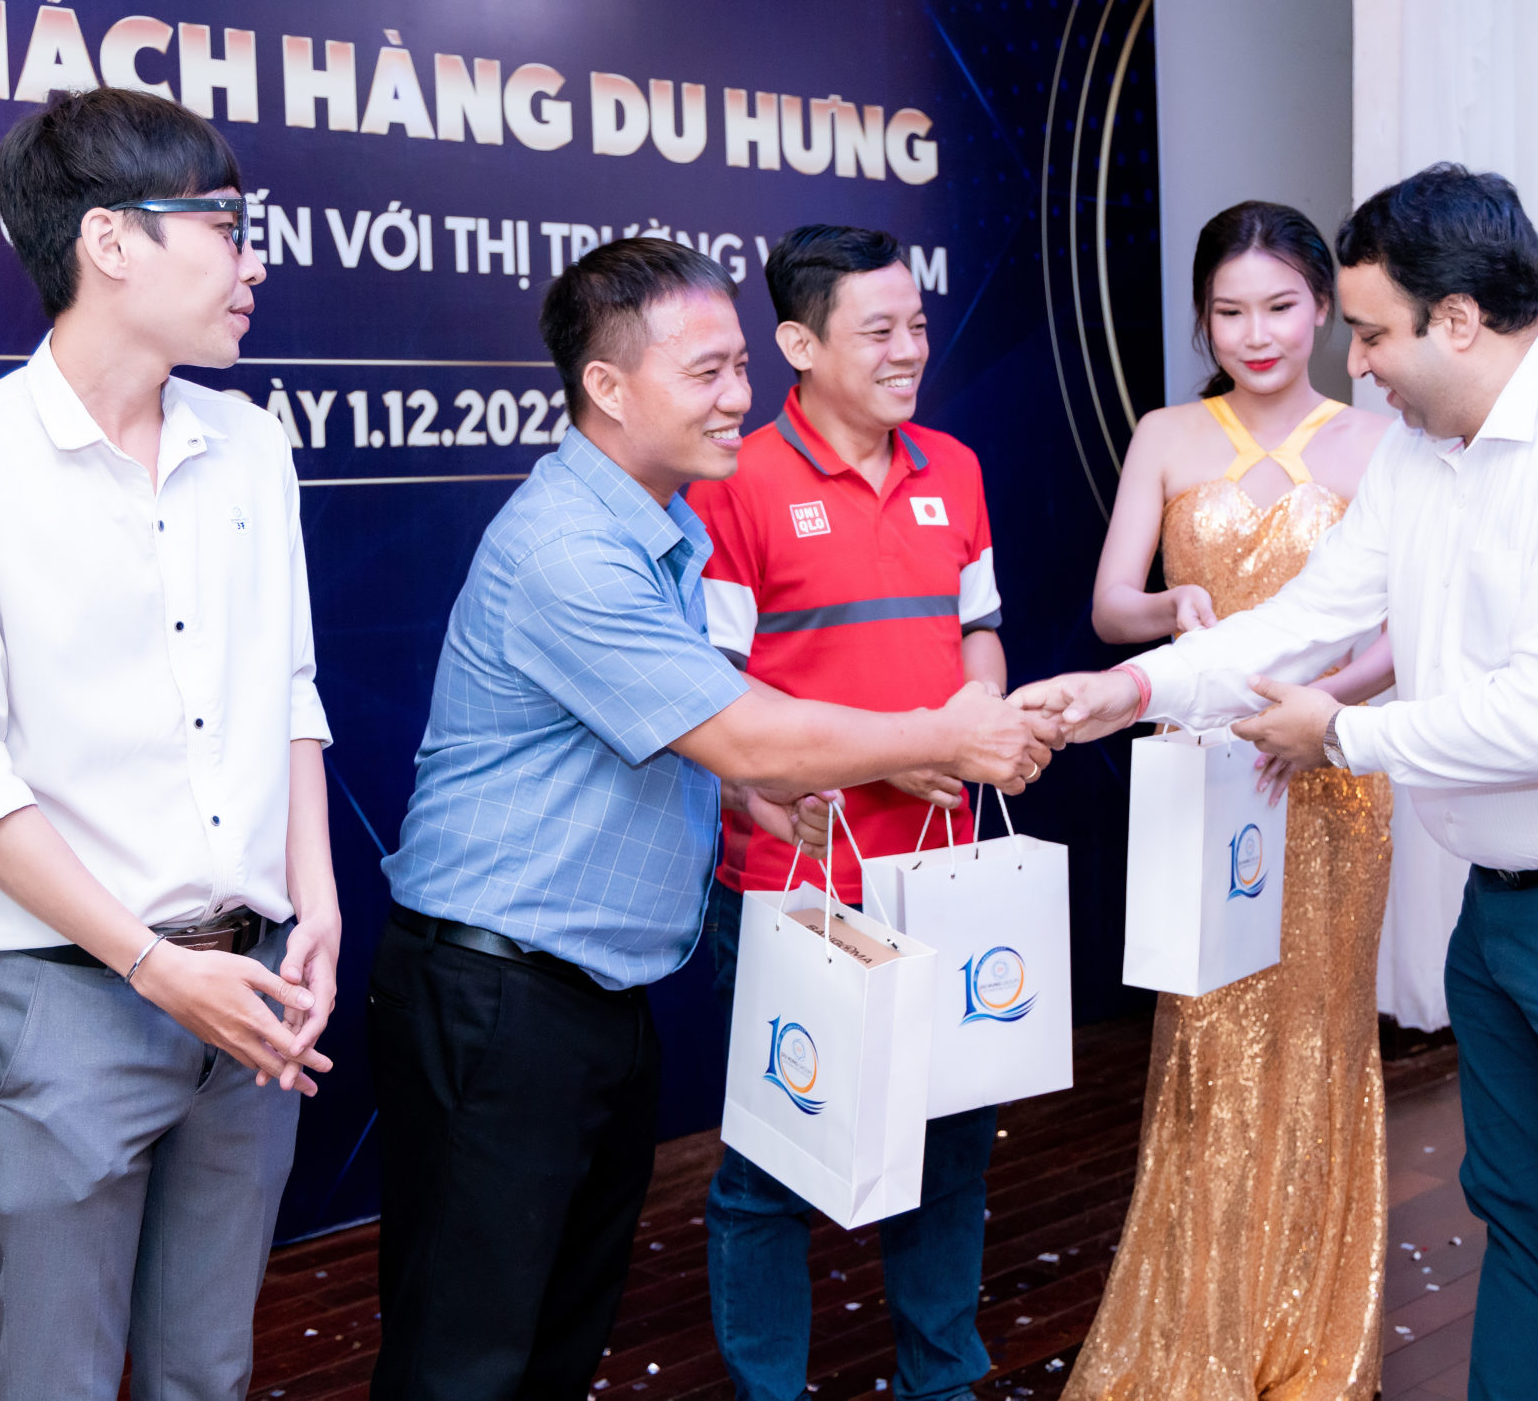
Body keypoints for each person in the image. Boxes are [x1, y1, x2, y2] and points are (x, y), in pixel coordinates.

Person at [1013, 165, 1538, 1401]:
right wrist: (1131, 690)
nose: (1358, 362)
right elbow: (1312, 616)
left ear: (1459, 320)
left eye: (1373, 332)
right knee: (1526, 1232)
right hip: (1511, 902)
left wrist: (1336, 735)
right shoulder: (1424, 453)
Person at [369, 236, 1057, 1401]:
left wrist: (739, 787)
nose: (739, 395)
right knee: (465, 1358)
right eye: (707, 372)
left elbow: (677, 728)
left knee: (552, 1338)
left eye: (739, 365)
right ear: (607, 385)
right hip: (501, 1000)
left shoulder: (661, 528)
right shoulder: (572, 551)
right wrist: (938, 736)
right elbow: (740, 728)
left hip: (586, 991)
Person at [0, 88, 339, 1401]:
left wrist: (314, 901)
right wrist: (150, 963)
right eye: (227, 226)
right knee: (60, 1379)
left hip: (252, 990)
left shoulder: (251, 444)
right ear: (111, 240)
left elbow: (288, 686)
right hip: (66, 997)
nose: (254, 262)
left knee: (208, 1370)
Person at [1062, 201, 1394, 1401]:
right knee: (1204, 1043)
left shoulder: (1378, 443)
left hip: (1328, 778)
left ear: (1324, 309)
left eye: (1279, 307)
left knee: (1318, 1041)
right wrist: (1171, 611)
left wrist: (1321, 717)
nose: (1256, 334)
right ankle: (1196, 1336)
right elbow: (1112, 606)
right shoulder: (1164, 434)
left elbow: (1402, 630)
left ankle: (1307, 1335)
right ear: (1202, 320)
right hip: (1204, 776)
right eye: (1229, 311)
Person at [689, 225, 1010, 1401]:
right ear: (797, 344)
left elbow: (978, 632)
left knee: (951, 1149)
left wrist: (975, 712)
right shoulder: (733, 483)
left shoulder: (955, 468)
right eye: (878, 331)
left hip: (941, 871)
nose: (909, 350)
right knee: (773, 1169)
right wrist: (913, 744)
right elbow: (715, 695)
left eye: (916, 325)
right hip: (797, 886)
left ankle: (942, 1380)